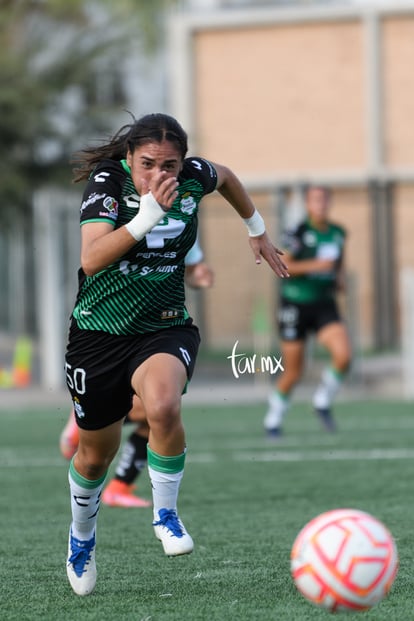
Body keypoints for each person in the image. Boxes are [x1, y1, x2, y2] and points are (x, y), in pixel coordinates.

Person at [64, 112, 288, 596]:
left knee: (163, 405)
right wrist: (147, 215)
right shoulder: (109, 184)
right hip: (98, 334)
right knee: (93, 457)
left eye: (170, 165)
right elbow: (91, 258)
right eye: (148, 164)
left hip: (162, 327)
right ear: (129, 158)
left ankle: (165, 515)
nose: (160, 175)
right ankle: (81, 536)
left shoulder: (193, 178)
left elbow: (224, 176)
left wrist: (256, 227)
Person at [59, 240, 214, 508]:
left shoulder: (184, 212)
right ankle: (87, 418)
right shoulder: (121, 210)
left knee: (162, 408)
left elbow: (190, 268)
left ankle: (123, 487)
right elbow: (93, 260)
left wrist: (198, 277)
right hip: (111, 332)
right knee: (137, 420)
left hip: (157, 332)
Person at [264, 185, 352, 437]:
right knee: (294, 370)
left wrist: (340, 279)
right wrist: (316, 264)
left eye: (324, 199)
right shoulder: (299, 231)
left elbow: (339, 266)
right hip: (295, 304)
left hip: (324, 303)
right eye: (315, 200)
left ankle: (322, 401)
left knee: (344, 355)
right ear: (308, 204)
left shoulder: (338, 233)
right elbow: (285, 265)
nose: (320, 204)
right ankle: (274, 419)